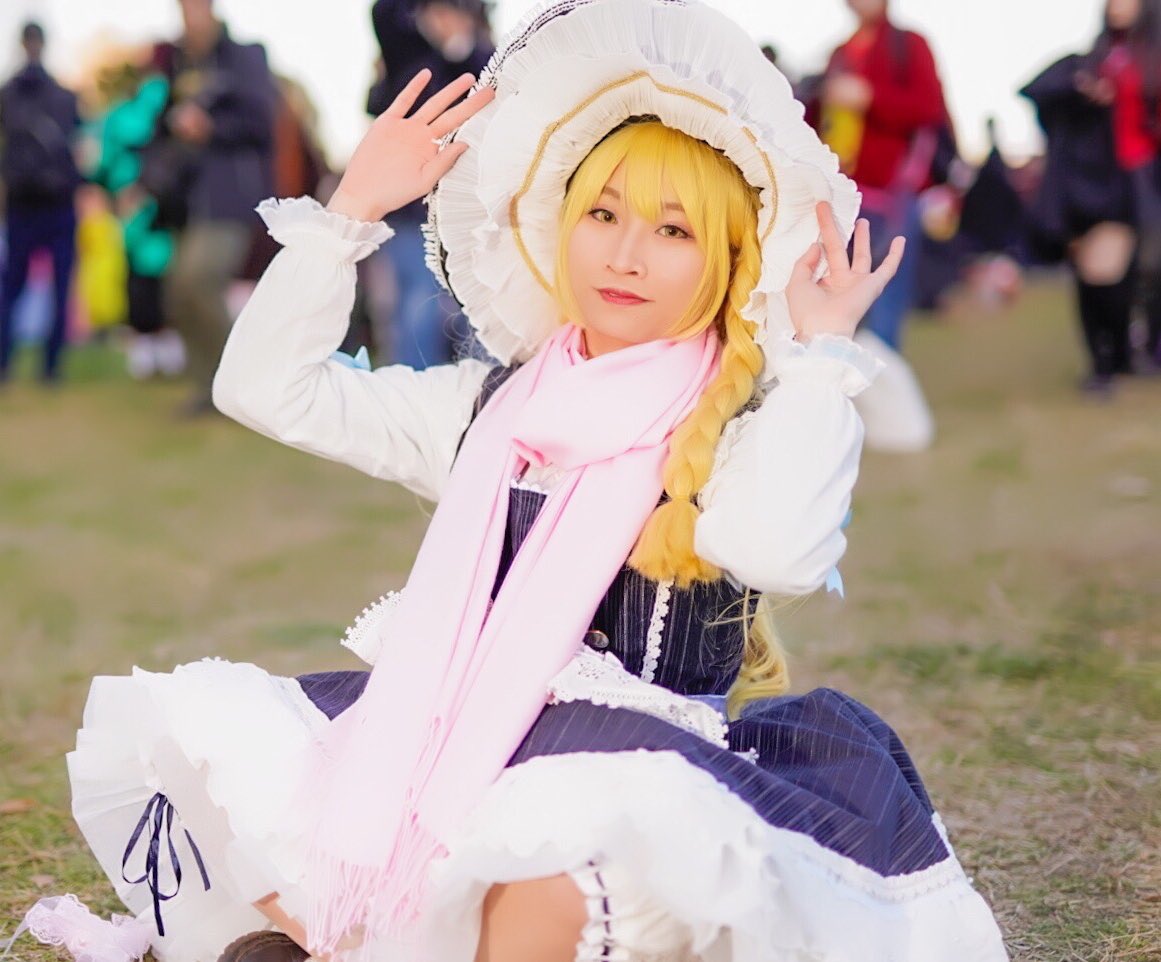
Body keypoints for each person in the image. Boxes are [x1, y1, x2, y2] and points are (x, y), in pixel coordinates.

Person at [45, 2, 1008, 961]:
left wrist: (817, 356)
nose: (624, 255)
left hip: (626, 772)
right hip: (446, 735)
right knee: (259, 803)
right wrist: (351, 210)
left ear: (728, 259)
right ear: (561, 227)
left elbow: (779, 551)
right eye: (602, 214)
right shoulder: (484, 408)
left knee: (538, 879)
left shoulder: (740, 426)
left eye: (673, 230)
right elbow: (262, 389)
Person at [144, 0, 276, 415]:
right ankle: (211, 390)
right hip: (187, 200)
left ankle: (243, 385)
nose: (189, 15)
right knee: (178, 293)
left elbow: (262, 123)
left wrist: (211, 128)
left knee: (197, 280)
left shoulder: (244, 56)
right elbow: (160, 126)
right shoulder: (177, 61)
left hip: (229, 197)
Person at [1020, 0, 1153, 394]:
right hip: (1091, 188)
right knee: (1095, 275)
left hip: (1136, 183)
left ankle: (1119, 358)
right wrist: (1082, 88)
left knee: (1124, 275)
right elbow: (1037, 90)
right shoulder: (1087, 63)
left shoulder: (1148, 62)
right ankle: (1105, 362)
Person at [366, 0, 494, 368]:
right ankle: (413, 382)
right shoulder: (409, 58)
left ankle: (488, 386)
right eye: (433, 11)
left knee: (479, 302)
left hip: (472, 208)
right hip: (412, 210)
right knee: (416, 304)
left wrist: (460, 44)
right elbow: (383, 12)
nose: (442, 19)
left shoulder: (487, 58)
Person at [0, 21, 82, 385]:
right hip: (34, 203)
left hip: (47, 203)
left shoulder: (19, 94)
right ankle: (36, 365)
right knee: (23, 287)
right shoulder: (47, 95)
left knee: (41, 288)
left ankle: (45, 365)